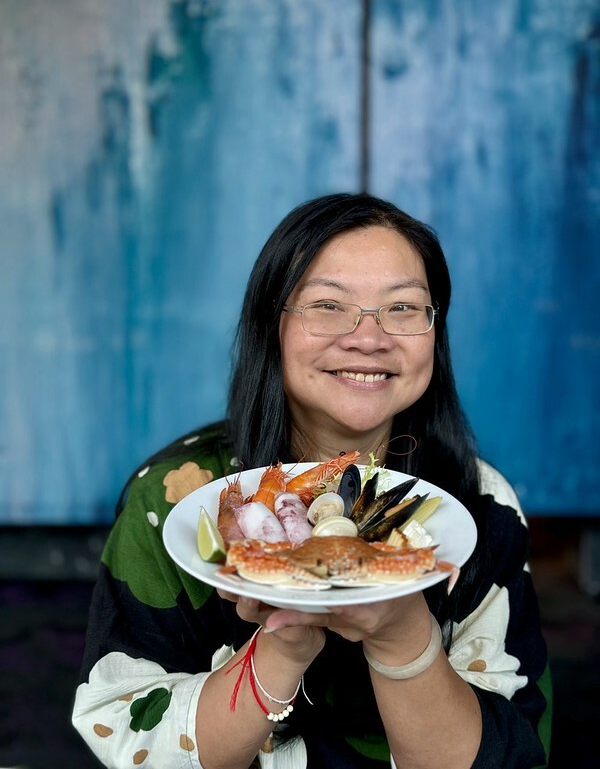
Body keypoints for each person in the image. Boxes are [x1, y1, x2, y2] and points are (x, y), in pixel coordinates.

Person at [73, 193, 551, 769]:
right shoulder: (176, 496)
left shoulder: (478, 503)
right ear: (270, 323)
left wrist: (402, 632)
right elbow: (132, 741)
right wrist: (283, 642)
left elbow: (512, 756)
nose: (368, 338)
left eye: (403, 307)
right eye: (327, 305)